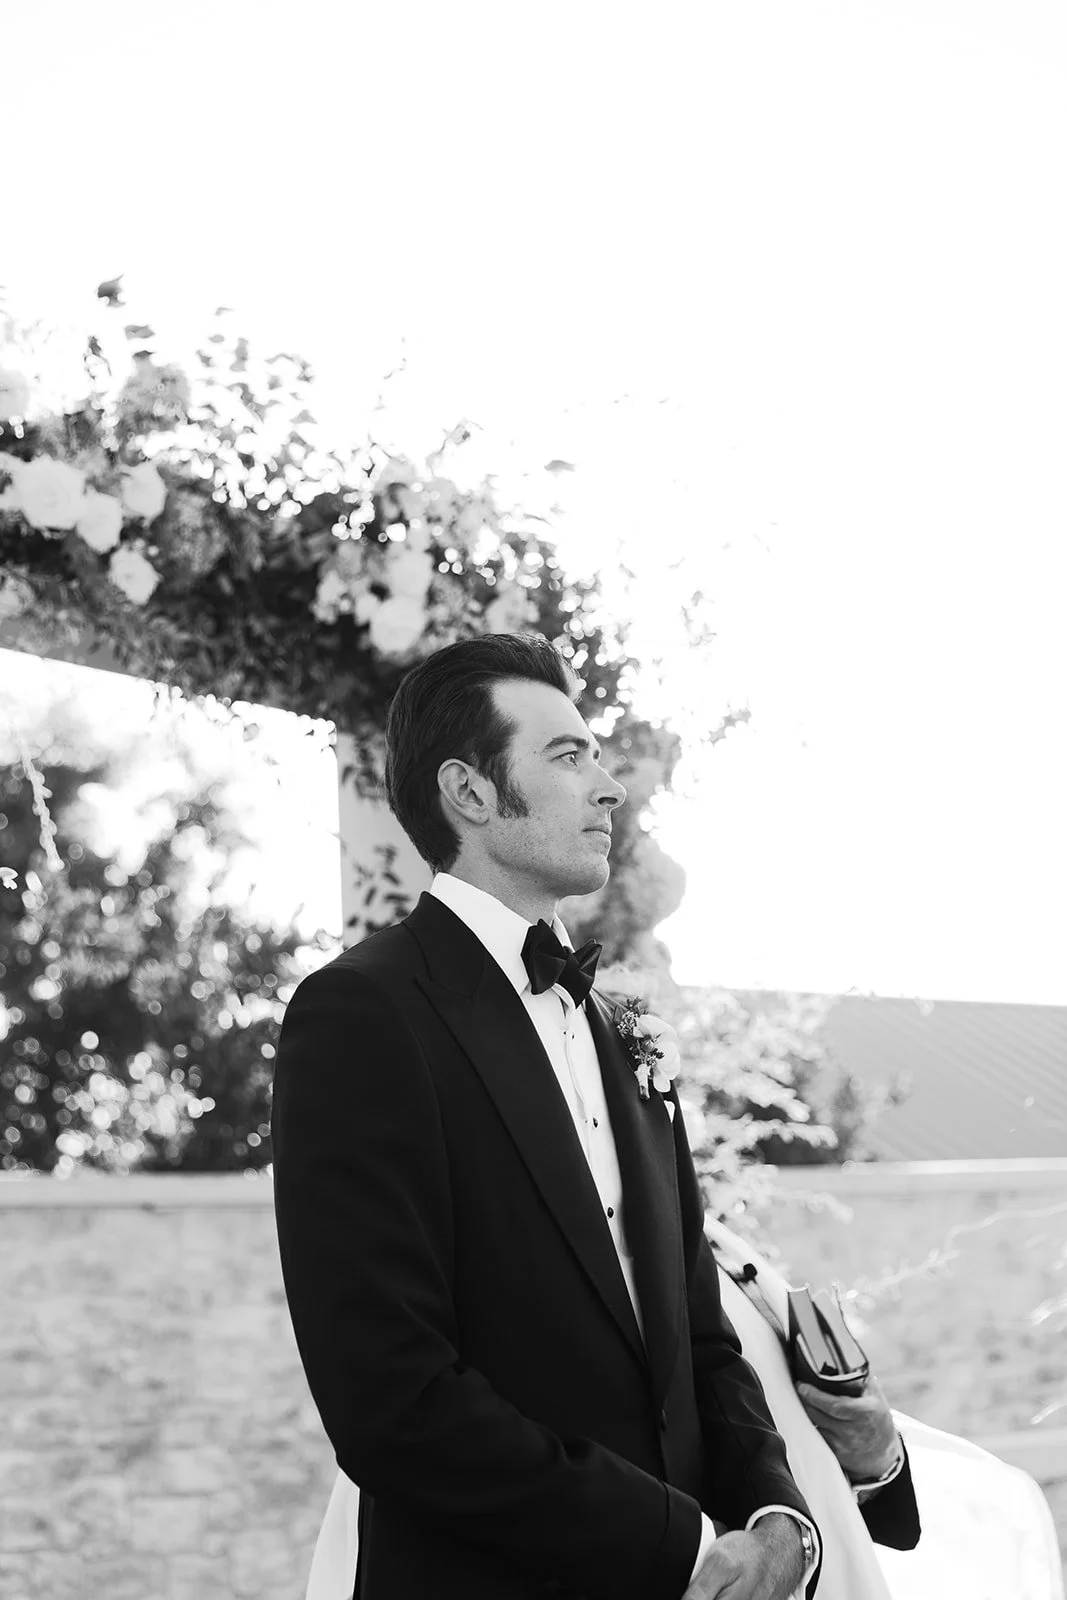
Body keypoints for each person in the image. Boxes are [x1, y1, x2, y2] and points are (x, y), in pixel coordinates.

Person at [271, 633, 820, 1600]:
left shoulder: (620, 1028)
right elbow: (390, 1399)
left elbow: (698, 1332)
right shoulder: (359, 1014)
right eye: (567, 756)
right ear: (471, 794)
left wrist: (778, 1518)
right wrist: (680, 1549)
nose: (608, 788)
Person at [302, 1222, 1065, 1600]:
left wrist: (874, 1455)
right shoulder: (501, 1275)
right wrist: (696, 1551)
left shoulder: (719, 1249)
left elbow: (773, 1425)